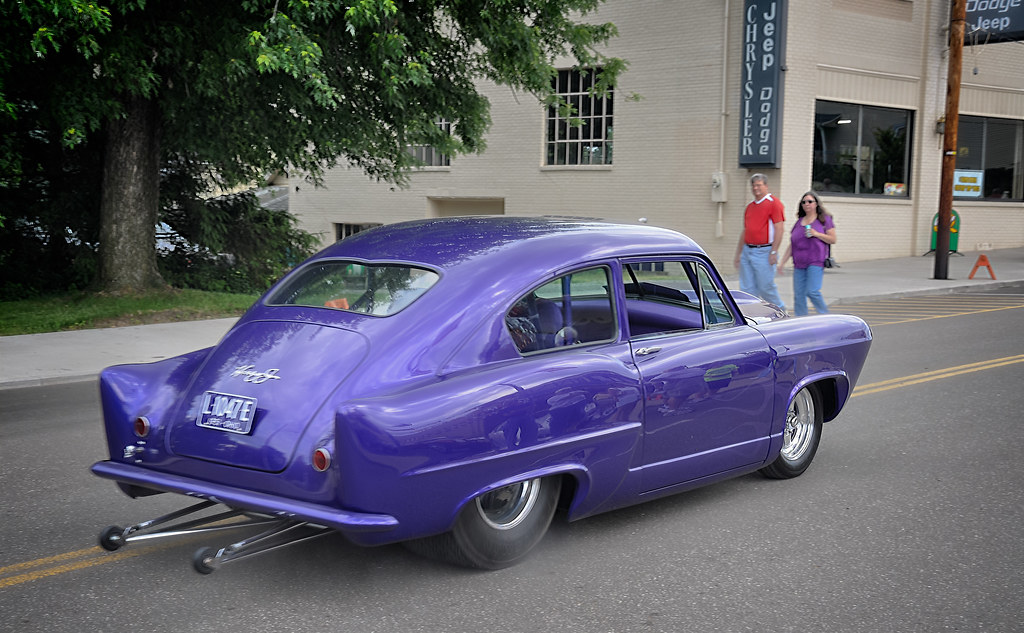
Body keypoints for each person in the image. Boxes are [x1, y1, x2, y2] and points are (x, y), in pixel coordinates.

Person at [733, 173, 786, 312]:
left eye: (759, 185)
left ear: (766, 186)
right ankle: (752, 314)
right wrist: (738, 254)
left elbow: (779, 228)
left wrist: (774, 251)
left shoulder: (774, 203)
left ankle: (780, 311)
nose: (755, 188)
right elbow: (745, 231)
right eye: (753, 185)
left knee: (766, 287)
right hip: (747, 251)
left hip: (764, 252)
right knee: (747, 289)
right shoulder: (750, 207)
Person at [778, 191, 837, 316]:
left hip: (815, 261)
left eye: (810, 201)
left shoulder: (824, 220)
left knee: (812, 291)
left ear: (816, 204)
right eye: (804, 202)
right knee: (799, 295)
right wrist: (782, 262)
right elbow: (792, 244)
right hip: (799, 263)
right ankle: (801, 320)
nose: (807, 204)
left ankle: (825, 315)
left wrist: (817, 234)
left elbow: (832, 239)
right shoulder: (799, 222)